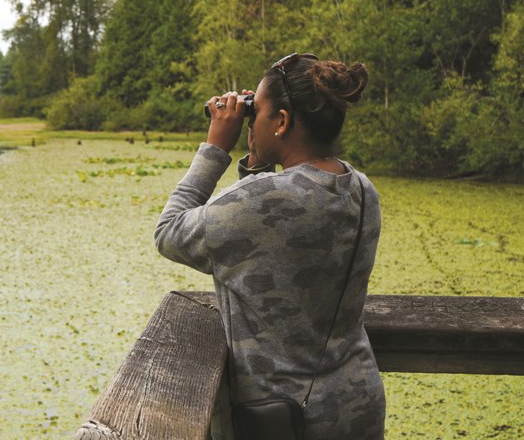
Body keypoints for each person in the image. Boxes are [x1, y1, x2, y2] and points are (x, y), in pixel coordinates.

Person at [155, 53, 384, 439]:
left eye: (256, 111)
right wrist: (258, 158)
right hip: (357, 405)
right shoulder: (362, 188)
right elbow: (271, 234)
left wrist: (214, 149)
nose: (251, 118)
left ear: (281, 122)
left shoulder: (258, 202)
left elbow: (169, 232)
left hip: (285, 421)